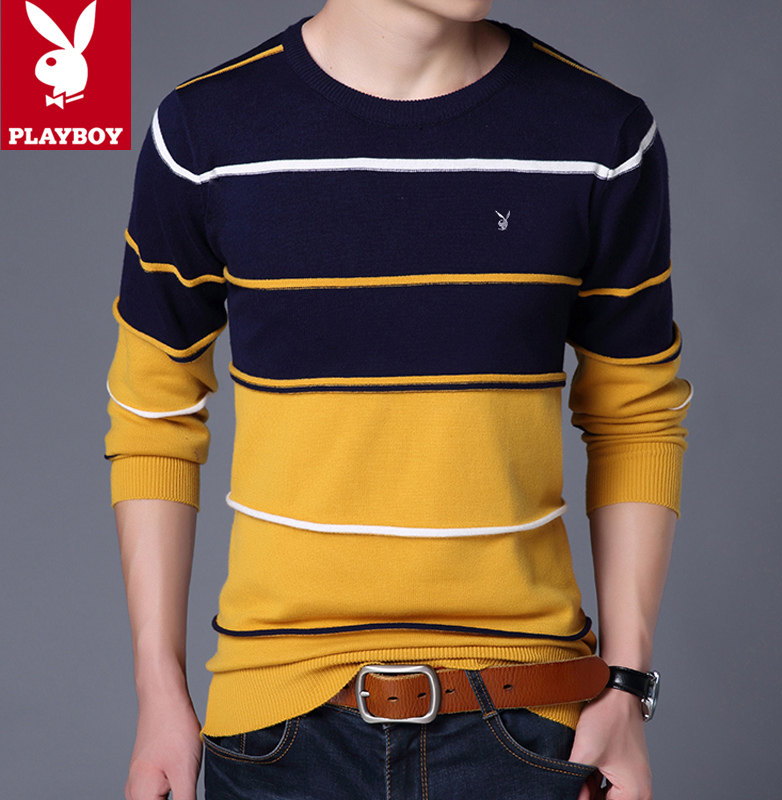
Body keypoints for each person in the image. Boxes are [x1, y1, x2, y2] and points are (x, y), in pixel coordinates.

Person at [106, 1, 691, 798]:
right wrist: (158, 691)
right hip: (276, 732)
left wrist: (625, 684)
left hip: (528, 729)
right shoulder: (203, 135)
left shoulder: (602, 137)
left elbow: (637, 416)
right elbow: (154, 416)